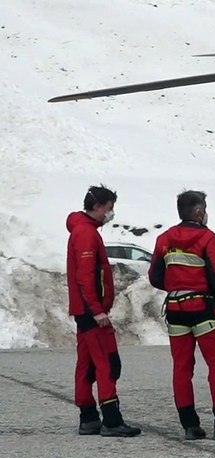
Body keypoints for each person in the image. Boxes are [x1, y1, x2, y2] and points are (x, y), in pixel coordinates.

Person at [148, 190, 215, 441]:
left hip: (175, 310)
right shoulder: (207, 237)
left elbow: (154, 276)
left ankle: (190, 425)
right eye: (204, 208)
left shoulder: (164, 238)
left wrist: (176, 286)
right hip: (202, 308)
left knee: (182, 368)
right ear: (198, 211)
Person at [66, 184, 141, 437]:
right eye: (110, 209)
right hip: (91, 312)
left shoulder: (82, 230)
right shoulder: (86, 233)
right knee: (108, 363)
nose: (111, 214)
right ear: (98, 206)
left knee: (86, 363)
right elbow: (86, 276)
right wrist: (98, 311)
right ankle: (111, 419)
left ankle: (88, 417)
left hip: (83, 310)